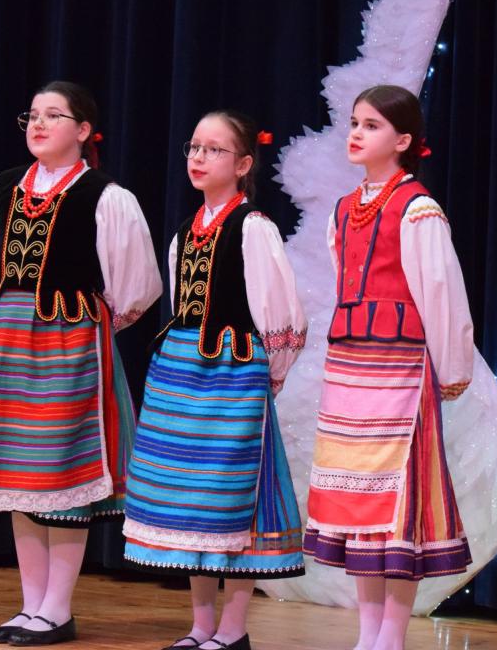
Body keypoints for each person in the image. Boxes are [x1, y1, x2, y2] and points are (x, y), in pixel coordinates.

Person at [0, 81, 161, 646]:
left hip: (67, 341)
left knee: (60, 473)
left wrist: (88, 325)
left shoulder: (104, 195)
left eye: (54, 115)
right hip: (1, 340)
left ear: (84, 130)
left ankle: (57, 607)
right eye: (33, 115)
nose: (39, 124)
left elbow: (136, 286)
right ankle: (31, 605)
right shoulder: (1, 189)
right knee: (18, 477)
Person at [124, 111, 308, 650]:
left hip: (231, 375)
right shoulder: (186, 231)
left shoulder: (252, 228)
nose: (199, 158)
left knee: (231, 499)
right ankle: (201, 626)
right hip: (181, 374)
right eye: (195, 147)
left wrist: (266, 377)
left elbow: (282, 314)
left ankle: (233, 628)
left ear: (244, 164)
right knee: (190, 502)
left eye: (214, 150)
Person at [304, 84, 474, 650]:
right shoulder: (344, 209)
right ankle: (367, 634)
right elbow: (344, 279)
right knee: (358, 500)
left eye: (372, 125)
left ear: (403, 140)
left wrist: (452, 369)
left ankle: (391, 637)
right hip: (350, 367)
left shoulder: (417, 208)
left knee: (398, 501)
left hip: (399, 369)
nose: (356, 133)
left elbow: (441, 293)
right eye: (355, 122)